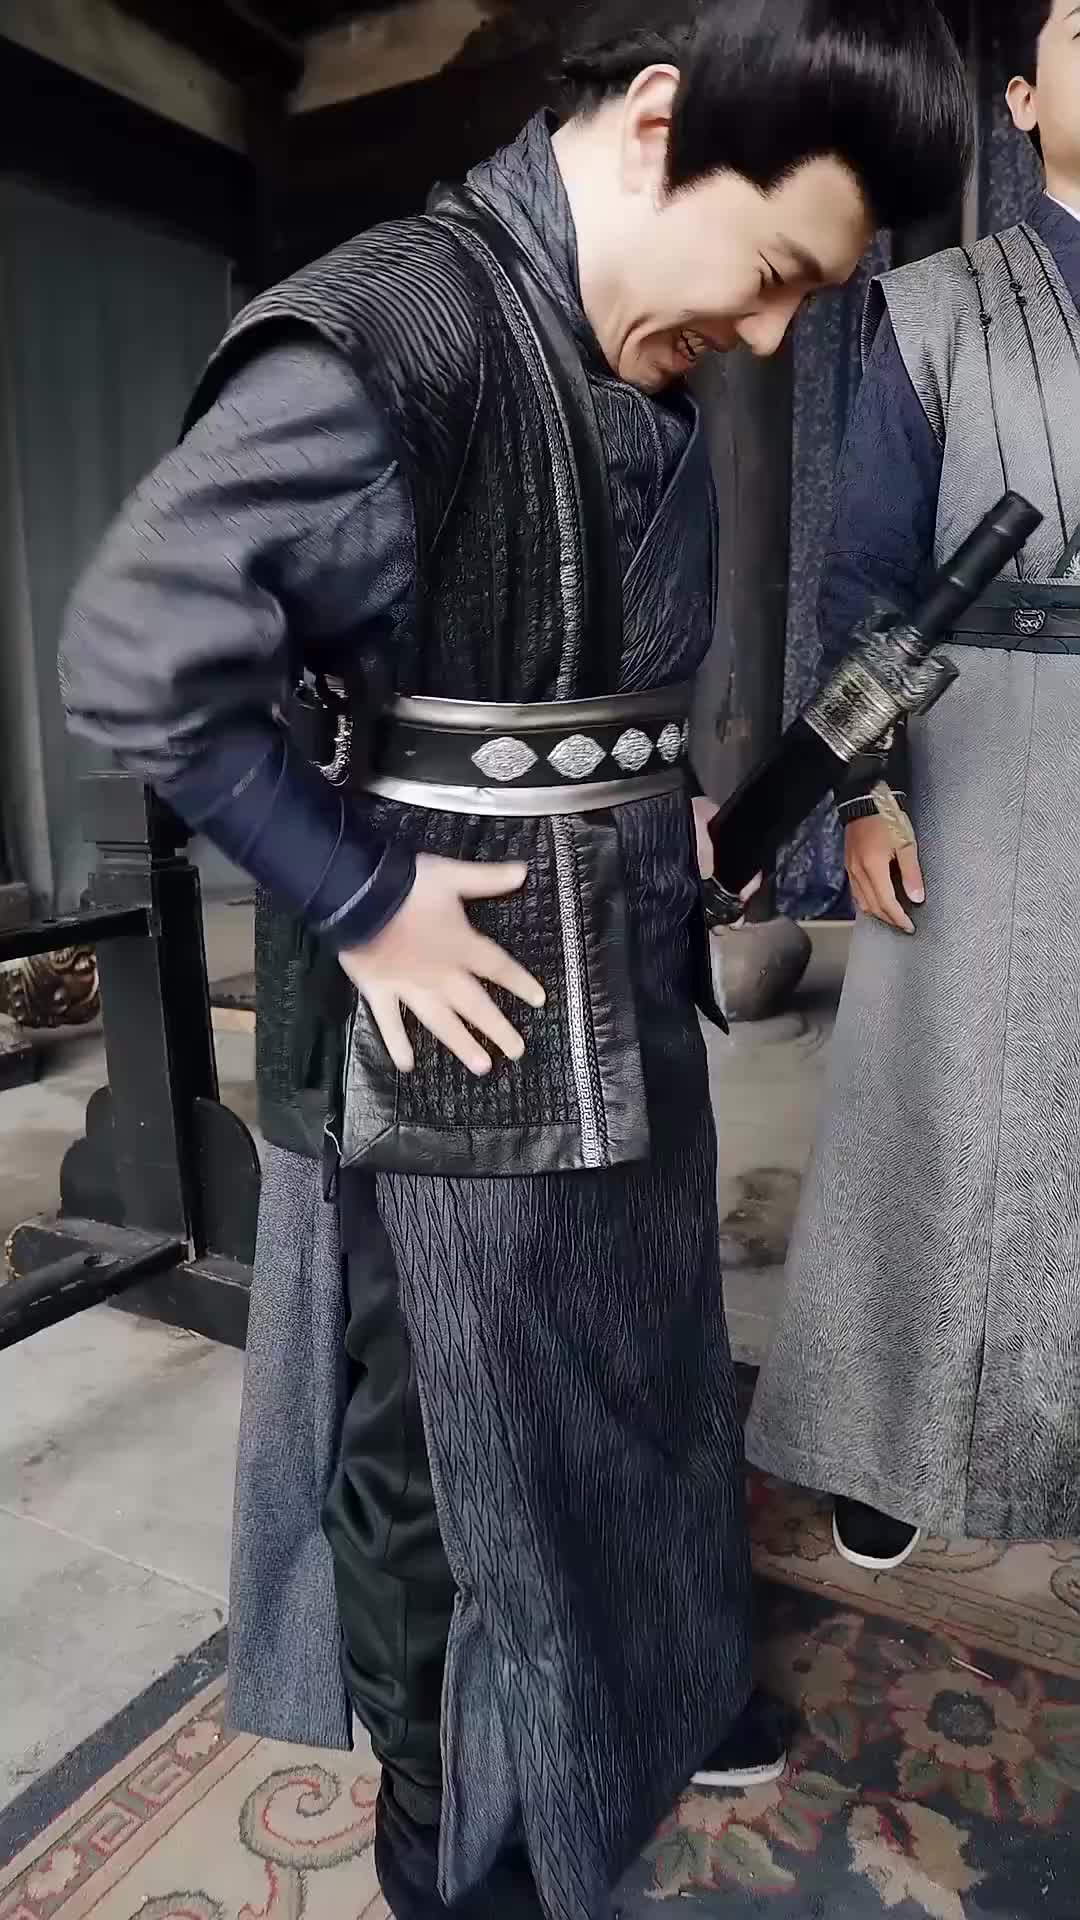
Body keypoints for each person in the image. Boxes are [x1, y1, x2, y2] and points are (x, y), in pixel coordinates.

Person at [60, 3, 971, 1913]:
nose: (773, 333)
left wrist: (670, 806)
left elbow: (566, 680)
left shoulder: (611, 337)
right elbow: (138, 652)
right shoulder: (398, 334)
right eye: (774, 269)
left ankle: (647, 1699)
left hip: (617, 952)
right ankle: (451, 1848)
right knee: (447, 1469)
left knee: (637, 1375)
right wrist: (358, 896)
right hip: (445, 1011)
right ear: (658, 126)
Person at [747, 0, 1080, 1576]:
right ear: (1021, 100)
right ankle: (889, 1435)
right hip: (979, 747)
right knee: (935, 1112)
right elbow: (868, 575)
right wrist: (867, 790)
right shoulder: (935, 308)